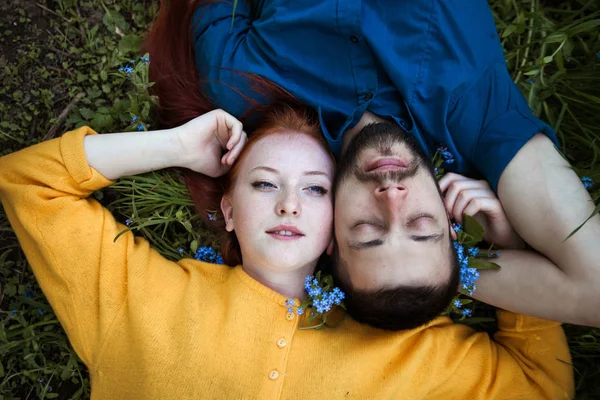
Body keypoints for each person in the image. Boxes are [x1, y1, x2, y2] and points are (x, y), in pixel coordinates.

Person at [0, 100, 574, 398]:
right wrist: (174, 146)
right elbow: (27, 183)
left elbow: (537, 388)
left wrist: (503, 247)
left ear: (339, 233)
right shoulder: (136, 300)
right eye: (263, 183)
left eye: (318, 189)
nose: (290, 205)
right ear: (226, 208)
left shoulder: (414, 350)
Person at [144, 0, 600, 328]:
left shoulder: (242, 81)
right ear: (450, 220)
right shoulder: (478, 115)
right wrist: (488, 252)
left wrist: (432, 265)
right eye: (422, 227)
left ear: (330, 230)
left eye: (367, 232)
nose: (392, 199)